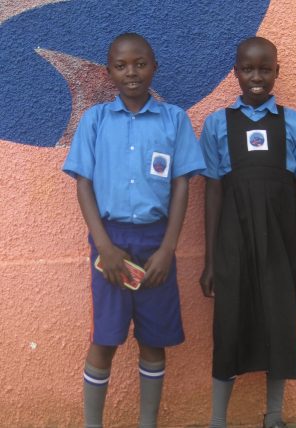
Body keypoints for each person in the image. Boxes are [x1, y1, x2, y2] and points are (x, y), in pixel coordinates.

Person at [63, 32, 205, 428]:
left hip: (156, 243)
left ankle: (148, 423)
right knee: (104, 339)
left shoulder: (174, 119)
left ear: (154, 67)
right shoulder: (94, 120)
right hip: (109, 244)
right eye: (122, 65)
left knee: (153, 340)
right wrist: (104, 247)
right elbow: (83, 184)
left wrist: (168, 249)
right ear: (108, 72)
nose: (132, 72)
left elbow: (181, 185)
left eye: (140, 64)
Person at [199, 36, 296, 428]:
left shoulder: (294, 122)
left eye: (265, 69)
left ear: (276, 72)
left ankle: (274, 415)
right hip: (233, 239)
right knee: (229, 322)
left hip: (283, 241)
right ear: (235, 72)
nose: (257, 77)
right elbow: (213, 192)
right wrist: (209, 259)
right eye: (248, 69)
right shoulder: (218, 123)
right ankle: (218, 418)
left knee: (280, 322)